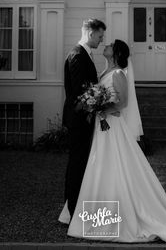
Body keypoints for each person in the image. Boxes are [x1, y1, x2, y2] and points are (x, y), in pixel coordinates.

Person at [59, 39, 166, 243]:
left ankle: (112, 218)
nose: (105, 46)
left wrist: (100, 109)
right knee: (100, 166)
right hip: (102, 127)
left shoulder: (118, 74)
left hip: (112, 127)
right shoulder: (104, 72)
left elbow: (122, 103)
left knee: (113, 166)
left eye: (109, 45)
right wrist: (96, 105)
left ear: (116, 53)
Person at [62, 18, 106, 218]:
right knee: (77, 163)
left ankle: (76, 207)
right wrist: (99, 101)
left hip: (83, 118)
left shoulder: (84, 54)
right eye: (99, 36)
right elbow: (81, 93)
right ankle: (72, 211)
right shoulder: (78, 55)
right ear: (90, 33)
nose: (101, 40)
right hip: (79, 120)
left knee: (80, 162)